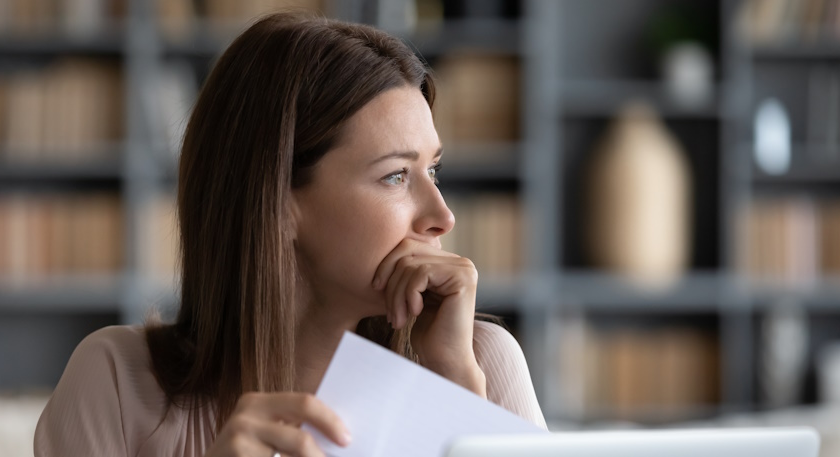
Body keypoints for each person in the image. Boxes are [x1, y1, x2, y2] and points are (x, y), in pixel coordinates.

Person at [34, 11, 546, 457]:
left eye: (433, 171)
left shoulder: (482, 362)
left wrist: (457, 400)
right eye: (395, 176)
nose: (442, 215)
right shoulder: (116, 383)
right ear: (276, 200)